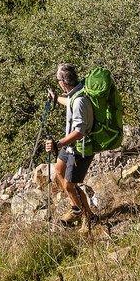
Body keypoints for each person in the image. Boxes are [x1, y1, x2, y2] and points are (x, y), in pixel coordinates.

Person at [44, 63, 95, 228]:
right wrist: (55, 98)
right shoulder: (76, 93)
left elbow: (80, 131)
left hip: (80, 148)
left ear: (62, 82)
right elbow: (69, 102)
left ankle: (88, 217)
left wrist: (57, 144)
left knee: (69, 185)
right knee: (59, 170)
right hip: (71, 146)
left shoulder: (79, 100)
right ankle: (77, 208)